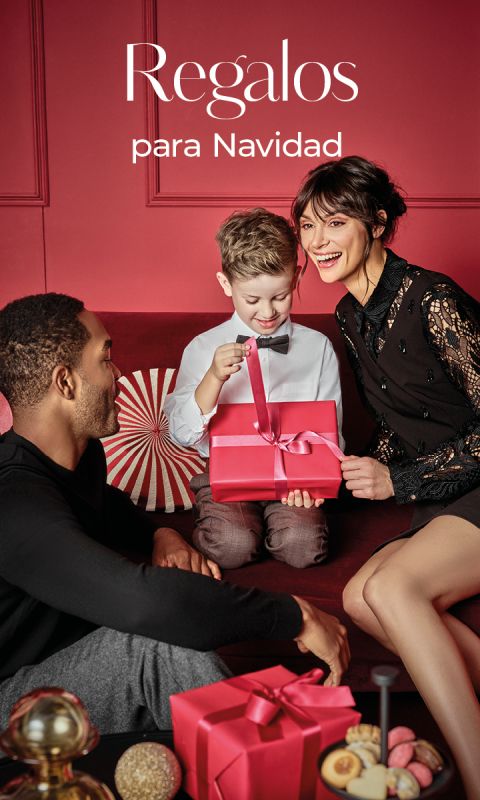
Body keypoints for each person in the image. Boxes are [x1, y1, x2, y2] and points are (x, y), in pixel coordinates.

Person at [0, 292, 350, 734]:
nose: (119, 374)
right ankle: (272, 761)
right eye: (105, 359)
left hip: (68, 668)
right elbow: (145, 602)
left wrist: (160, 533)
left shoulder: (79, 458)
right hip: (12, 700)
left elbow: (109, 507)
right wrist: (295, 615)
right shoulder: (13, 501)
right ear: (66, 383)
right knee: (154, 648)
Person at [291, 155, 480, 799]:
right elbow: (400, 423)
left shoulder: (435, 300)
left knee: (395, 587)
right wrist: (329, 468)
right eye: (308, 226)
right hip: (444, 496)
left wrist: (399, 482)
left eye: (333, 223)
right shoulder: (349, 315)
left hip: (474, 489)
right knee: (356, 596)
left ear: (377, 223)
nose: (316, 242)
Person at [164, 208, 343, 569]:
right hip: (227, 478)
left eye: (280, 296)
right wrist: (213, 377)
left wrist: (314, 482)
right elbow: (180, 433)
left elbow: (332, 433)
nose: (267, 311)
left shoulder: (318, 347)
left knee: (303, 548)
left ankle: (279, 529)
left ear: (297, 276)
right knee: (231, 546)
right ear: (226, 284)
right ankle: (241, 530)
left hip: (296, 479)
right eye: (252, 300)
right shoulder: (202, 347)